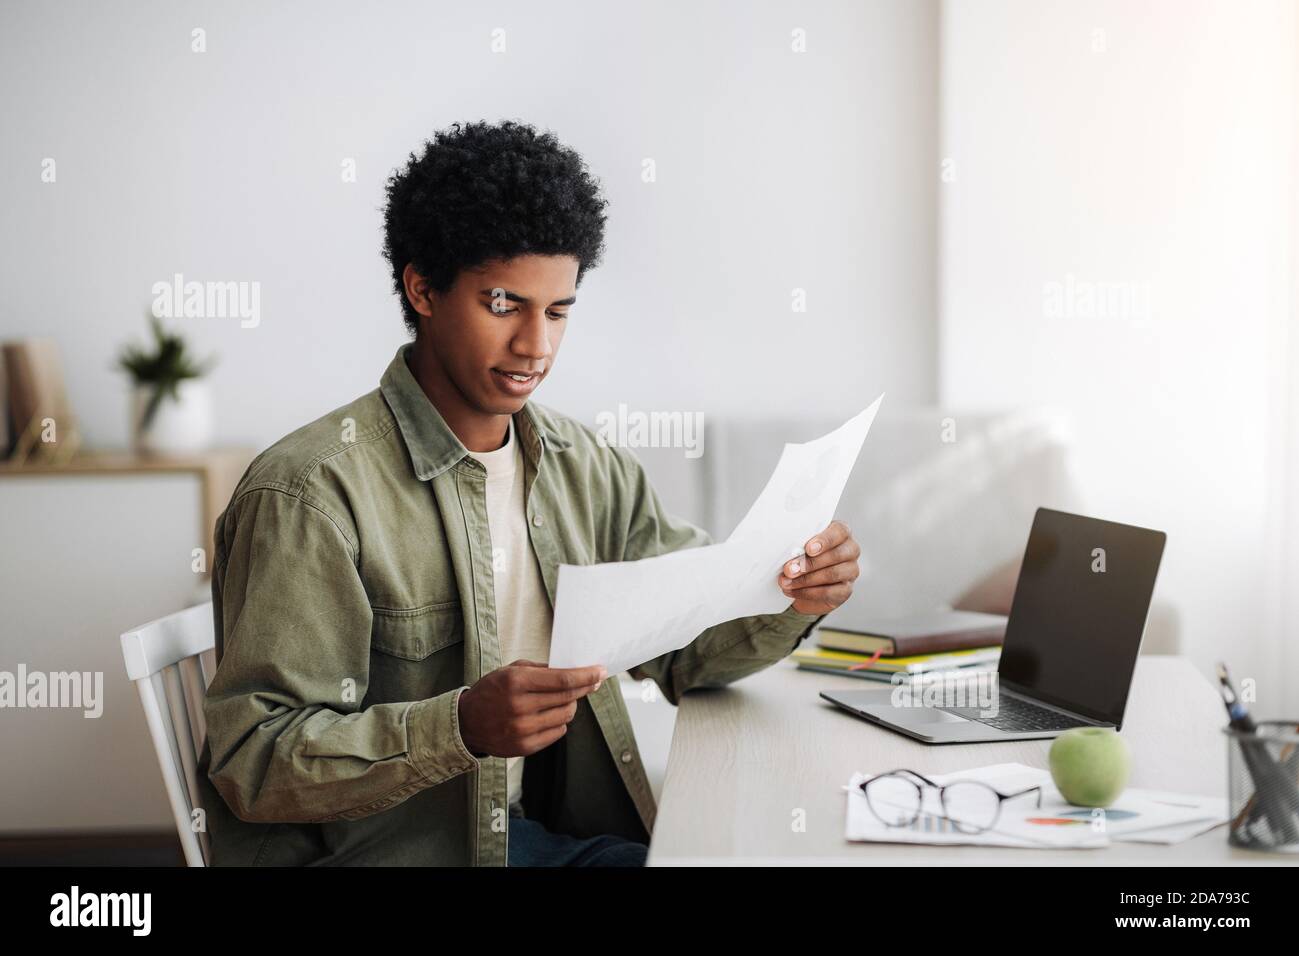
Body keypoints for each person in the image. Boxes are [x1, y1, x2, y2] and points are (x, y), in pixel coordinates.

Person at [196, 120, 861, 866]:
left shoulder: (586, 469)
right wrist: (458, 727)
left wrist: (788, 594)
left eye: (559, 311)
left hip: (522, 838)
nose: (536, 347)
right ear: (422, 288)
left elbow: (687, 655)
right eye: (504, 305)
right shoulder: (310, 495)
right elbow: (253, 761)